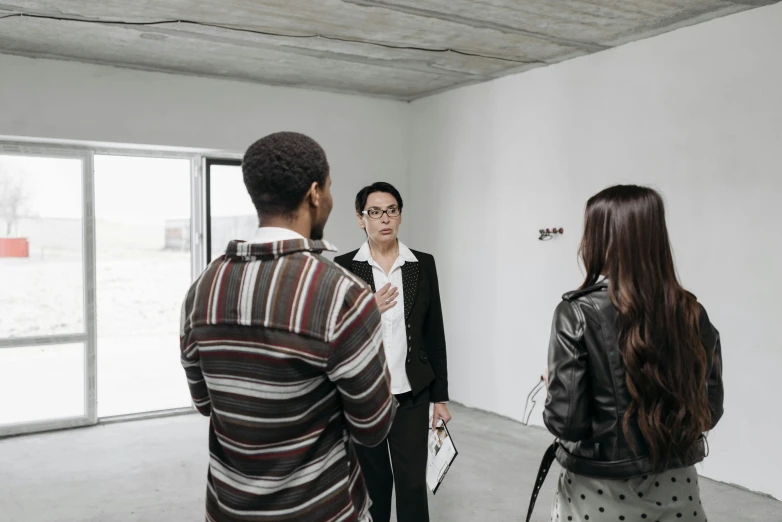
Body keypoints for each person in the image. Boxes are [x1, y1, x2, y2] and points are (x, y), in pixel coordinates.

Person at [179, 132, 397, 522]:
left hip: (227, 510)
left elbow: (206, 404)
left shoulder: (203, 290)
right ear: (315, 194)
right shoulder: (341, 293)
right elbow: (373, 425)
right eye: (329, 188)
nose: (329, 198)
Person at [542, 185, 724, 522]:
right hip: (678, 486)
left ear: (600, 239)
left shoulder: (576, 313)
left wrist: (558, 384)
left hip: (597, 491)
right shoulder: (691, 311)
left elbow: (566, 422)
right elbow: (709, 412)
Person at [334, 182, 450, 522]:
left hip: (411, 392)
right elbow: (335, 336)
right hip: (365, 396)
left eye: (391, 210)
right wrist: (367, 309)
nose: (384, 218)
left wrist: (440, 398)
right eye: (374, 212)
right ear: (360, 219)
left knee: (413, 485)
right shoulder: (345, 266)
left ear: (399, 215)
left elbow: (435, 333)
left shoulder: (421, 264)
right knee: (373, 485)